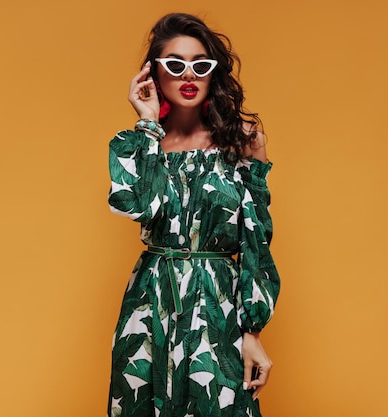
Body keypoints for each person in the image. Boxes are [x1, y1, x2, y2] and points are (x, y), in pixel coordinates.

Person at [106, 13, 280, 417]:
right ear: (153, 72)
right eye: (174, 63)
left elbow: (257, 238)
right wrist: (148, 124)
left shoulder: (243, 143)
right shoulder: (132, 145)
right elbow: (139, 207)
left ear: (213, 74)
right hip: (150, 302)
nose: (188, 74)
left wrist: (252, 331)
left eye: (200, 65)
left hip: (217, 302)